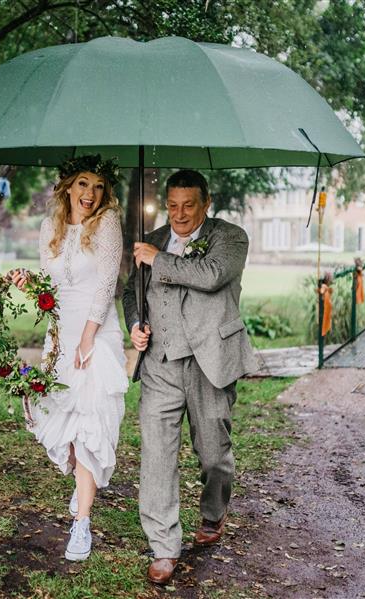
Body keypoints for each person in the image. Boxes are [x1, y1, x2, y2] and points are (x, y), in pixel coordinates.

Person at [122, 169, 259, 585]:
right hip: (161, 363)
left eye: (189, 205)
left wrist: (157, 259)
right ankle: (163, 546)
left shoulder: (231, 237)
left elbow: (211, 275)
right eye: (173, 205)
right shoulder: (156, 238)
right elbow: (132, 294)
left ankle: (213, 515)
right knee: (157, 454)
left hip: (210, 361)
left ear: (206, 203)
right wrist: (135, 324)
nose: (179, 214)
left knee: (214, 455)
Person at [10, 155, 127, 562]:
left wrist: (88, 338)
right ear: (67, 187)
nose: (90, 194)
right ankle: (82, 487)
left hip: (96, 333)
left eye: (97, 186)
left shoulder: (108, 222)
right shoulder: (50, 228)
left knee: (89, 424)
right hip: (60, 333)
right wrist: (29, 284)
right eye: (82, 184)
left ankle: (82, 524)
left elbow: (107, 282)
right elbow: (51, 286)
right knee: (65, 421)